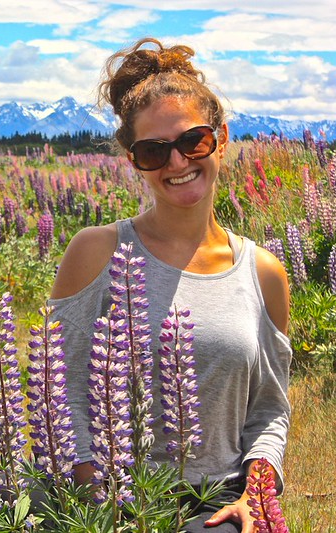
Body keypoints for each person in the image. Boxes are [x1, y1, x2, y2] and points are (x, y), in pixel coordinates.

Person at [49, 38, 291, 532]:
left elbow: (269, 412)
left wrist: (255, 493)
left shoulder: (263, 272)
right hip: (104, 496)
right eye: (153, 151)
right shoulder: (96, 251)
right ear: (132, 158)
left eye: (192, 141)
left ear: (221, 139)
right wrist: (97, 497)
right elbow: (61, 388)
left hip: (211, 503)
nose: (177, 163)